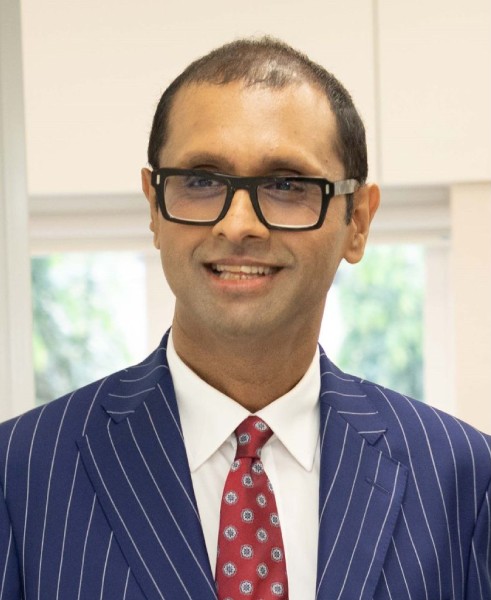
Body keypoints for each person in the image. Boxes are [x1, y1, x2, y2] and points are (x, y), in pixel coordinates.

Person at [0, 37, 490, 600]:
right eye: (201, 181)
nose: (237, 225)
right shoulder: (20, 474)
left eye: (286, 185)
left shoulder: (463, 478)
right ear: (154, 207)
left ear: (357, 221)